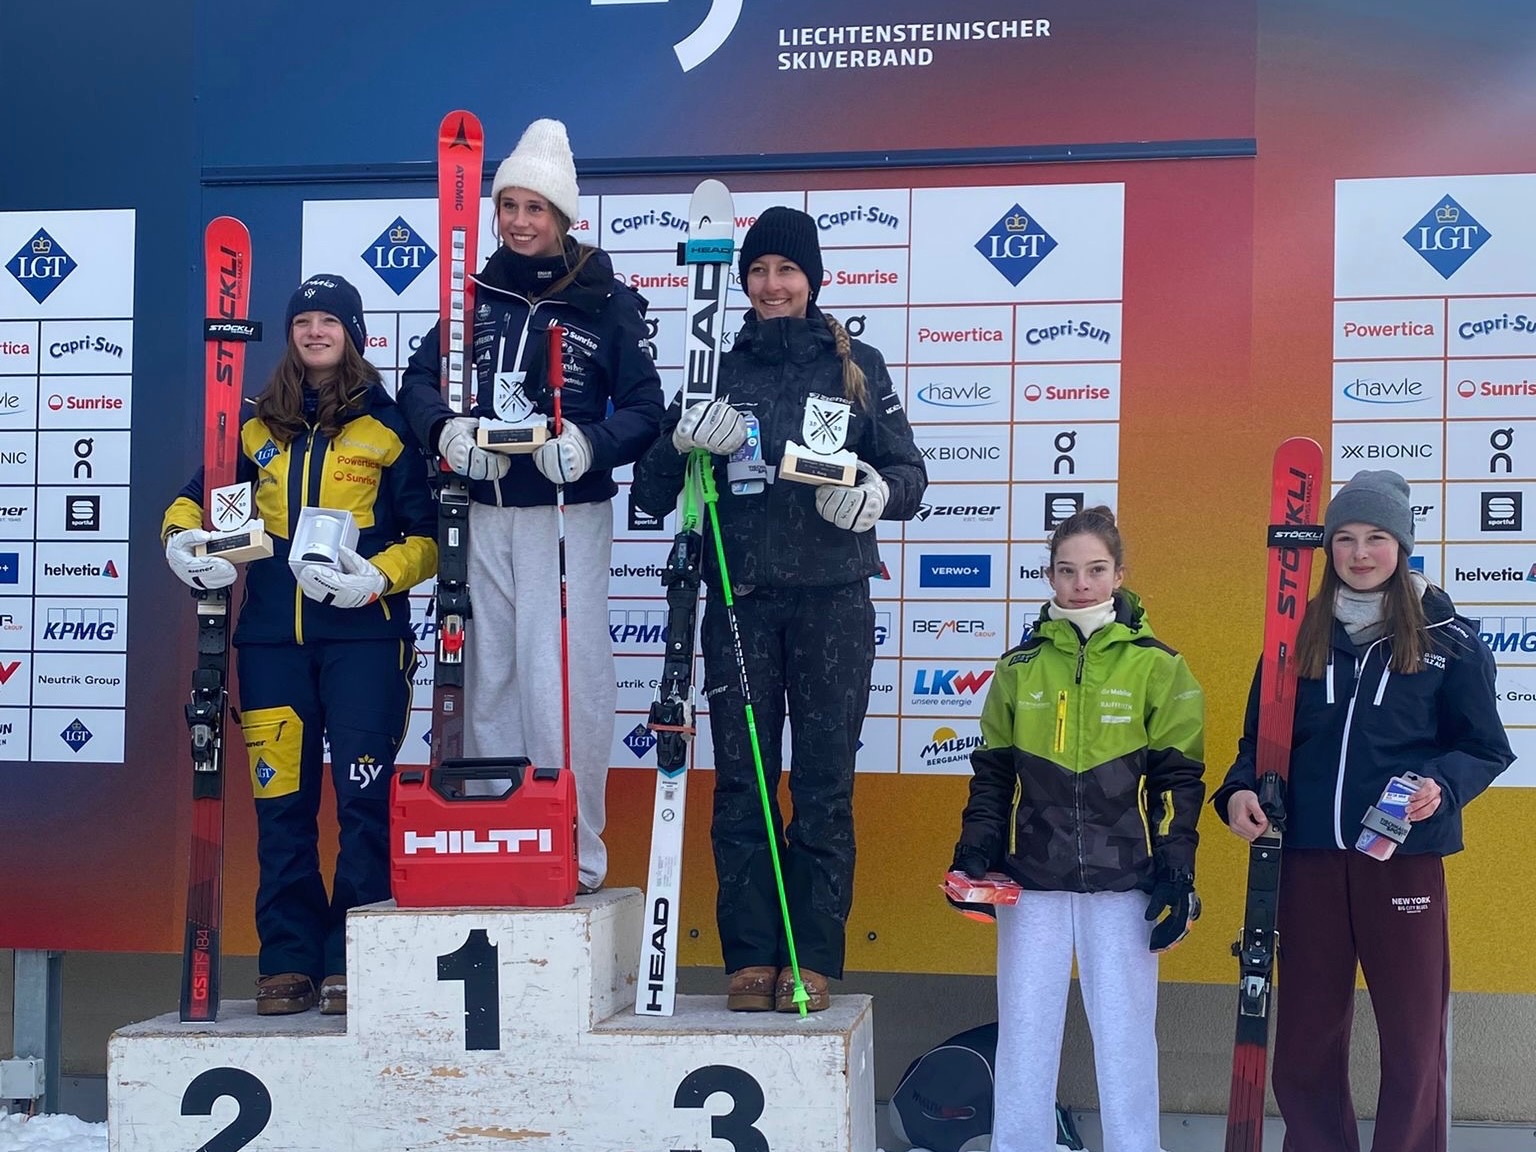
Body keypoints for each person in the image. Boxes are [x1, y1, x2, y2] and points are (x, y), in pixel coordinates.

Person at [632, 206, 927, 1012]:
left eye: (786, 270)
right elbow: (651, 495)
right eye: (758, 271)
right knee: (744, 785)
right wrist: (680, 440)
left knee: (824, 785)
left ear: (812, 279)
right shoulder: (717, 370)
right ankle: (752, 956)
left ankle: (812, 956)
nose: (771, 285)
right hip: (741, 605)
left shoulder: (857, 366)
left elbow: (910, 474)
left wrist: (876, 493)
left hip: (835, 604)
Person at [395, 118, 663, 894]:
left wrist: (589, 445)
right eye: (508, 205)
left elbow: (646, 409)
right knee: (491, 679)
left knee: (563, 683)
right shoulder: (473, 295)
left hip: (564, 515)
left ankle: (574, 850)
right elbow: (417, 383)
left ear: (563, 216)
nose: (519, 221)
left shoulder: (607, 300)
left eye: (534, 208)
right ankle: (497, 835)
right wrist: (446, 433)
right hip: (483, 510)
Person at [1213, 469, 1513, 1152]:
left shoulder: (1449, 640)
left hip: (1402, 860)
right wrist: (1238, 793)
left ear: (1401, 545)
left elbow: (1485, 747)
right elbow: (1258, 743)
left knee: (1413, 1037)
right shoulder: (1295, 637)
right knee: (1307, 1036)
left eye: (1376, 537)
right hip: (1308, 858)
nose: (1359, 553)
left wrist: (1442, 785)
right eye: (1344, 538)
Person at [163, 275, 437, 1015]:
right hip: (270, 645)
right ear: (290, 334)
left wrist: (375, 578)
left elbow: (428, 539)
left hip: (365, 645)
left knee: (362, 805)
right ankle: (288, 960)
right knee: (281, 808)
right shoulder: (255, 426)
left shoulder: (389, 425)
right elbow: (195, 500)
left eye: (330, 320)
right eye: (304, 321)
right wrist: (181, 541)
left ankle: (355, 958)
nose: (316, 332)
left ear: (354, 333)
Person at [950, 506, 1205, 1152]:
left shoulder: (1159, 666)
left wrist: (1177, 872)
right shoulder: (1019, 667)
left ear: (1119, 574)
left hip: (1124, 884)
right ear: (1050, 576)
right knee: (1024, 1037)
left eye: (1095, 570)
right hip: (1032, 882)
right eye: (1067, 571)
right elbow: (992, 778)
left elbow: (1179, 782)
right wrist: (973, 853)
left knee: (1125, 1041)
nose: (1081, 584)